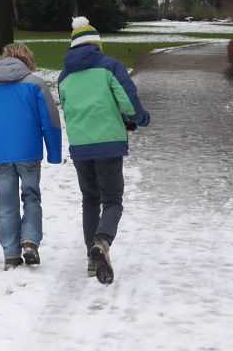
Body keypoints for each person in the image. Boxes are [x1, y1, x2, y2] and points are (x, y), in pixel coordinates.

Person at [58, 16, 150, 285]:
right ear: (97, 44)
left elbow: (68, 107)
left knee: (90, 200)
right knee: (112, 201)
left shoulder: (64, 76)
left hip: (81, 146)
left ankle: (92, 258)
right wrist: (139, 118)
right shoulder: (110, 67)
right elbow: (128, 101)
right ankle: (101, 243)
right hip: (108, 143)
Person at [0, 43, 63, 270]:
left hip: (2, 156)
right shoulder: (36, 84)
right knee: (31, 197)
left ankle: (11, 255)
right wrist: (54, 152)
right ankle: (30, 241)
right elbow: (50, 121)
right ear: (28, 60)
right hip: (30, 154)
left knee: (6, 205)